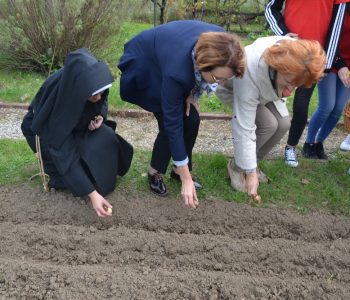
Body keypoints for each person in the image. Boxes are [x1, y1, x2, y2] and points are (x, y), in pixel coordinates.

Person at [118, 20, 245, 208]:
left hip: (168, 54)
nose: (221, 83)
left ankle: (178, 170)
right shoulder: (177, 73)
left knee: (192, 119)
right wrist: (188, 179)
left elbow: (205, 77)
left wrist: (193, 94)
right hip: (147, 65)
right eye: (219, 79)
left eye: (227, 78)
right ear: (203, 65)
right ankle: (155, 172)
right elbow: (173, 124)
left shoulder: (224, 44)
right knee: (168, 125)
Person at [21, 48, 133, 218]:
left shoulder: (93, 82)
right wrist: (92, 194)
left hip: (76, 121)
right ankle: (63, 177)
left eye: (100, 92)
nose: (99, 97)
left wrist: (100, 116)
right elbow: (64, 149)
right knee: (65, 165)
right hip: (48, 130)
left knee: (105, 137)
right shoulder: (62, 104)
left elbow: (102, 100)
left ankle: (87, 176)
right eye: (94, 95)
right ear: (79, 91)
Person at [216, 36, 326, 198]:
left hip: (267, 89)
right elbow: (244, 128)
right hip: (237, 89)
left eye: (296, 85)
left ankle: (253, 163)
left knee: (282, 124)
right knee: (268, 124)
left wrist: (289, 83)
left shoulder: (296, 57)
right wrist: (250, 172)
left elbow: (288, 84)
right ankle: (237, 167)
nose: (291, 90)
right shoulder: (249, 69)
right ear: (279, 67)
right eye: (289, 82)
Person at [265, 0, 347, 167]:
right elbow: (270, 8)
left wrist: (327, 63)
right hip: (286, 51)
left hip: (312, 57)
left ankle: (291, 147)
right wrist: (283, 33)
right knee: (267, 98)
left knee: (301, 106)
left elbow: (336, 28)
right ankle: (259, 143)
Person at [303, 4, 350, 159]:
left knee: (337, 110)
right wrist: (340, 64)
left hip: (349, 68)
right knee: (327, 106)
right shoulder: (342, 7)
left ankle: (319, 142)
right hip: (330, 60)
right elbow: (328, 37)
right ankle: (308, 144)